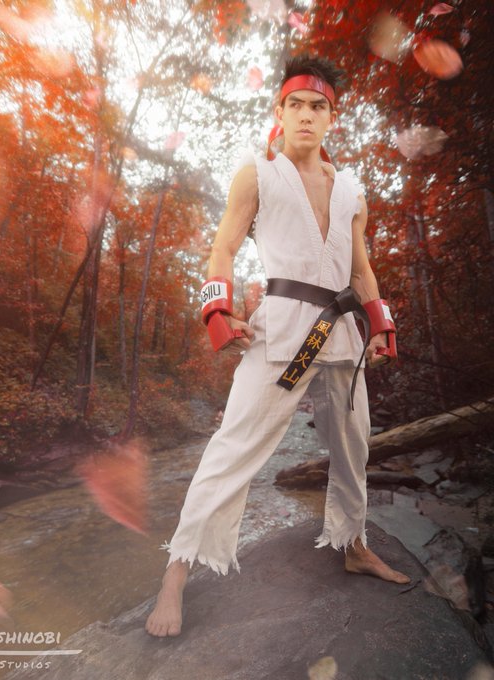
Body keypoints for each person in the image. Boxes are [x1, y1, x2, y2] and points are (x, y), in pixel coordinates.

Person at [145, 55, 410, 638]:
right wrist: (218, 310)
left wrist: (380, 324)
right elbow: (223, 246)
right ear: (281, 111)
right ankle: (176, 573)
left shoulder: (351, 191)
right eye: (297, 105)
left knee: (354, 447)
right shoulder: (257, 175)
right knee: (232, 447)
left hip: (342, 333)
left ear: (331, 117)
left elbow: (360, 270)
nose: (307, 116)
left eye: (318, 107)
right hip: (281, 330)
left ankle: (354, 544)